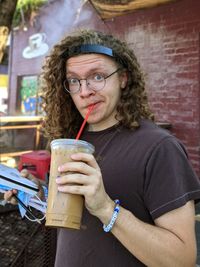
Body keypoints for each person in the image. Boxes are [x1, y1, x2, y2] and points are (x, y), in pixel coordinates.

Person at [5, 29, 200, 266]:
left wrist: (106, 208)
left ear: (123, 79)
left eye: (97, 77)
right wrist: (38, 194)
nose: (85, 91)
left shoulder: (159, 148)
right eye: (75, 81)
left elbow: (183, 259)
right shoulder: (71, 142)